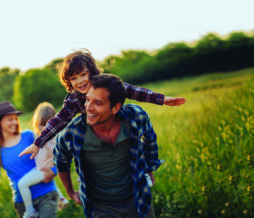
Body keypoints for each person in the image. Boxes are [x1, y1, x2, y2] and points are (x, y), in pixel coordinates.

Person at [20, 49, 185, 160]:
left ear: (91, 71)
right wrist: (37, 143)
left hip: (118, 122)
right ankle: (89, 174)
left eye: (83, 74)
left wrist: (162, 99)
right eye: (74, 78)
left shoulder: (106, 83)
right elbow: (58, 121)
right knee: (79, 134)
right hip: (96, 132)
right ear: (69, 81)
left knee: (134, 121)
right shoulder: (73, 100)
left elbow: (133, 91)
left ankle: (145, 167)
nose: (80, 81)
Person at [53, 74, 162, 218]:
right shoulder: (72, 133)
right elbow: (60, 159)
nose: (88, 108)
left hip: (138, 197)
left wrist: (149, 166)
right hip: (101, 207)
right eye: (87, 100)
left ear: (115, 107)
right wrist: (70, 191)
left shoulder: (136, 117)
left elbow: (149, 137)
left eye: (97, 103)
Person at [17, 102, 68, 217]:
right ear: (36, 123)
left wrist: (49, 144)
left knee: (22, 184)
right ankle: (62, 198)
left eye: (48, 124)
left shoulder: (55, 137)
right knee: (47, 180)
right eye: (41, 124)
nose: (45, 128)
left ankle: (30, 211)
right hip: (41, 167)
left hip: (44, 168)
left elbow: (59, 153)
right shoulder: (37, 135)